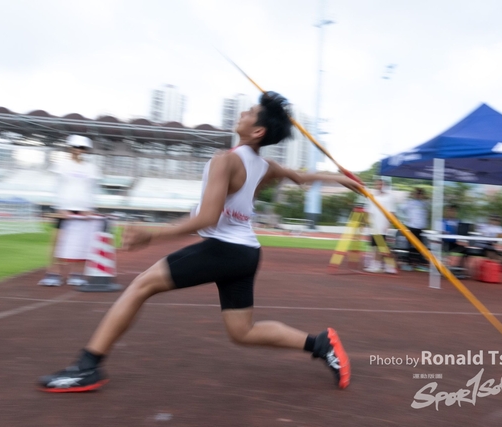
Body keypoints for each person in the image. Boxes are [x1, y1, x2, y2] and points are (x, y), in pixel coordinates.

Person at [37, 92, 362, 392]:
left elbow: (207, 218)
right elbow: (301, 178)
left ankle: (88, 367)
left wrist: (153, 234)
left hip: (224, 249)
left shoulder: (226, 160)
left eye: (250, 112)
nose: (243, 113)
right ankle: (321, 344)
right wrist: (342, 179)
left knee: (140, 286)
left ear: (258, 131)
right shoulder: (266, 166)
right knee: (242, 331)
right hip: (246, 253)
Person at [38, 134, 102, 287]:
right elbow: (58, 187)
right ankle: (53, 273)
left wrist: (90, 208)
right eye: (75, 146)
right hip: (64, 208)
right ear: (70, 148)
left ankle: (77, 274)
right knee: (58, 242)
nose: (78, 149)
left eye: (82, 147)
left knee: (82, 243)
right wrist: (60, 207)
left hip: (84, 209)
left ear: (86, 150)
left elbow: (92, 189)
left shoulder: (92, 168)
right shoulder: (62, 165)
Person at [364, 177, 396, 274]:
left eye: (381, 184)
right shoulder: (371, 196)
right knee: (375, 247)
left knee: (381, 247)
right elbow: (368, 211)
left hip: (383, 225)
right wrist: (367, 223)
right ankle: (378, 265)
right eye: (377, 184)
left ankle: (385, 266)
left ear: (384, 185)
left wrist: (388, 224)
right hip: (374, 225)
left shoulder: (389, 197)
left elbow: (392, 213)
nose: (379, 186)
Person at [402, 188, 430, 272]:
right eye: (417, 193)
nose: (418, 195)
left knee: (420, 247)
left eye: (420, 193)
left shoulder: (425, 203)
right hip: (411, 227)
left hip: (420, 228)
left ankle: (419, 264)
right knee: (409, 246)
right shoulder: (410, 202)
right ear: (414, 194)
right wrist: (406, 219)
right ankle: (408, 263)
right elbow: (401, 210)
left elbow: (428, 210)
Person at [438, 204, 469, 269]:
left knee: (466, 249)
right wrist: (443, 233)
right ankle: (443, 266)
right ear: (447, 211)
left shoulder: (459, 222)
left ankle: (459, 268)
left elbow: (462, 233)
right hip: (445, 242)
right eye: (450, 211)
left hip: (456, 243)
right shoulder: (442, 221)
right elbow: (439, 232)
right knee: (444, 247)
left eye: (454, 211)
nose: (452, 212)